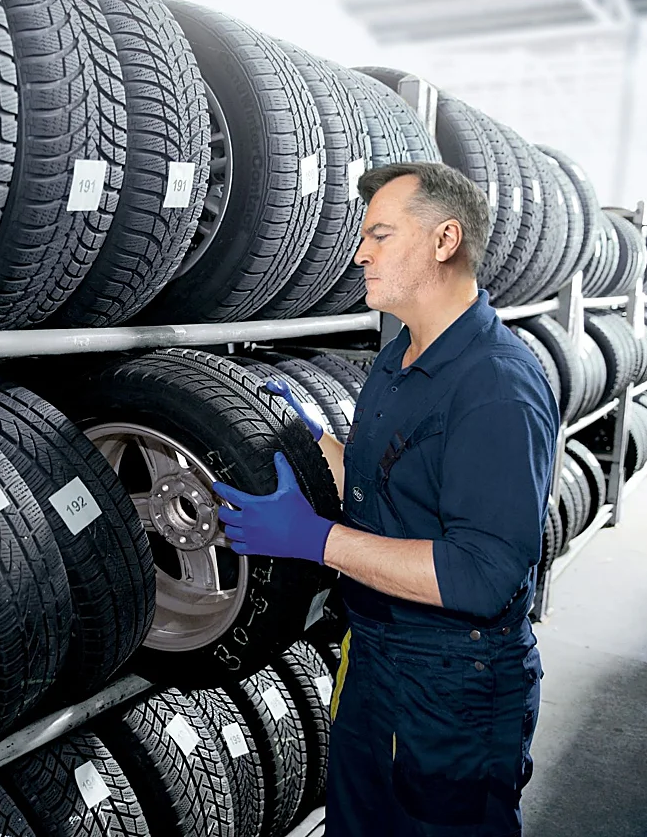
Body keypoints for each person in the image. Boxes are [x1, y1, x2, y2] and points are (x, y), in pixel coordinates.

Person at [213, 162, 559, 836]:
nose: (358, 254)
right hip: (374, 655)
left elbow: (483, 575)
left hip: (453, 683)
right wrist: (309, 441)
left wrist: (316, 540)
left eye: (380, 235)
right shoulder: (400, 358)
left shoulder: (496, 386)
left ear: (444, 240)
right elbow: (386, 487)